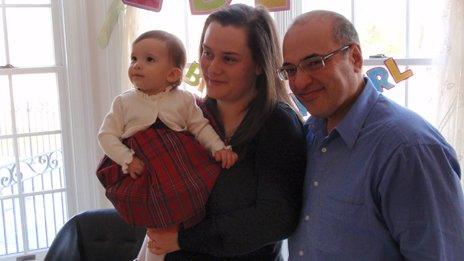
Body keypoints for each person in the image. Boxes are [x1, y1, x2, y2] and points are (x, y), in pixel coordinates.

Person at [280, 10, 464, 260]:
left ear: (355, 57)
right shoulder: (309, 135)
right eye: (290, 70)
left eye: (314, 62)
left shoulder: (409, 149)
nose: (299, 83)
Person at [140, 4, 307, 260]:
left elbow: (275, 218)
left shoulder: (277, 125)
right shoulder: (192, 115)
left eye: (229, 58)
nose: (212, 68)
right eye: (207, 53)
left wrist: (183, 239)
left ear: (260, 65)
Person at [97, 30, 238, 261]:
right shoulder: (124, 102)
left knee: (176, 216)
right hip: (142, 168)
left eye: (149, 60)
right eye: (134, 59)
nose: (137, 66)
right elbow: (106, 135)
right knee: (157, 222)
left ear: (173, 74)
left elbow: (200, 126)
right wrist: (127, 158)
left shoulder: (184, 99)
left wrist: (218, 147)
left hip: (176, 168)